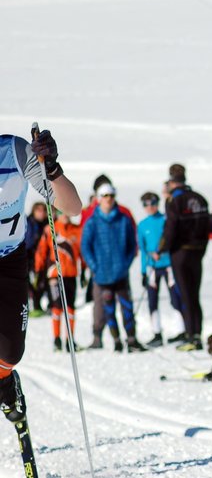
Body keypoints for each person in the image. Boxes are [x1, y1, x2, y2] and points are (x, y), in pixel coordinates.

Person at [0, 129, 82, 426]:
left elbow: (72, 208)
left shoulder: (13, 151)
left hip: (9, 260)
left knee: (10, 353)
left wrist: (53, 169)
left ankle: (5, 381)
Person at [81, 183, 146, 353]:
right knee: (108, 309)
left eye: (111, 196)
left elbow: (132, 245)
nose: (108, 199)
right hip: (101, 275)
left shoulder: (123, 220)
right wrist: (94, 267)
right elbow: (85, 247)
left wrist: (125, 263)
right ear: (99, 199)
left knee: (127, 308)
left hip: (120, 273)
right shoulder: (92, 222)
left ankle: (131, 339)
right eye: (105, 196)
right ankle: (116, 340)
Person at [159, 164, 211, 351]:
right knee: (194, 294)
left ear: (172, 181)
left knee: (186, 295)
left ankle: (192, 336)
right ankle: (196, 333)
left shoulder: (175, 201)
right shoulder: (199, 198)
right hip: (197, 251)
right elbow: (208, 225)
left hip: (180, 252)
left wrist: (162, 248)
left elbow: (171, 228)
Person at [137, 192, 182, 348]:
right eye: (146, 204)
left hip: (168, 264)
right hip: (152, 267)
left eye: (153, 203)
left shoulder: (165, 220)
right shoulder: (142, 225)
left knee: (175, 298)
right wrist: (143, 271)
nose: (150, 207)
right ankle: (156, 332)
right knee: (152, 300)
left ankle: (181, 330)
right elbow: (143, 249)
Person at [34, 210, 82, 351]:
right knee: (56, 306)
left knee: (70, 307)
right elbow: (41, 250)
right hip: (55, 274)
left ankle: (70, 340)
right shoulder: (50, 229)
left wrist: (84, 269)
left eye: (67, 213)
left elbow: (80, 251)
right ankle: (56, 338)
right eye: (62, 213)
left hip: (71, 274)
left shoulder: (76, 230)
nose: (65, 216)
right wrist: (38, 269)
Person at [24, 202, 49, 317]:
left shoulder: (47, 224)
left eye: (43, 210)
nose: (41, 213)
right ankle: (30, 305)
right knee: (29, 282)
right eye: (38, 210)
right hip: (28, 256)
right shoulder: (28, 222)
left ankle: (37, 304)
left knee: (40, 282)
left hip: (42, 258)